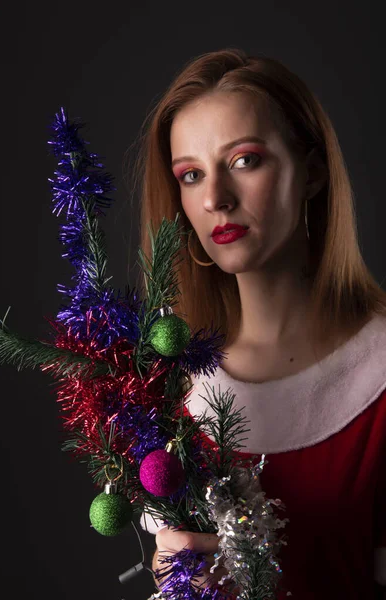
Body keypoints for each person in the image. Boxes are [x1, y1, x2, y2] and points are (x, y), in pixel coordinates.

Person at [132, 47, 386, 599]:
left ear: (312, 172)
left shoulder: (381, 372)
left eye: (245, 160)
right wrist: (175, 576)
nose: (216, 198)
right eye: (191, 175)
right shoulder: (167, 381)